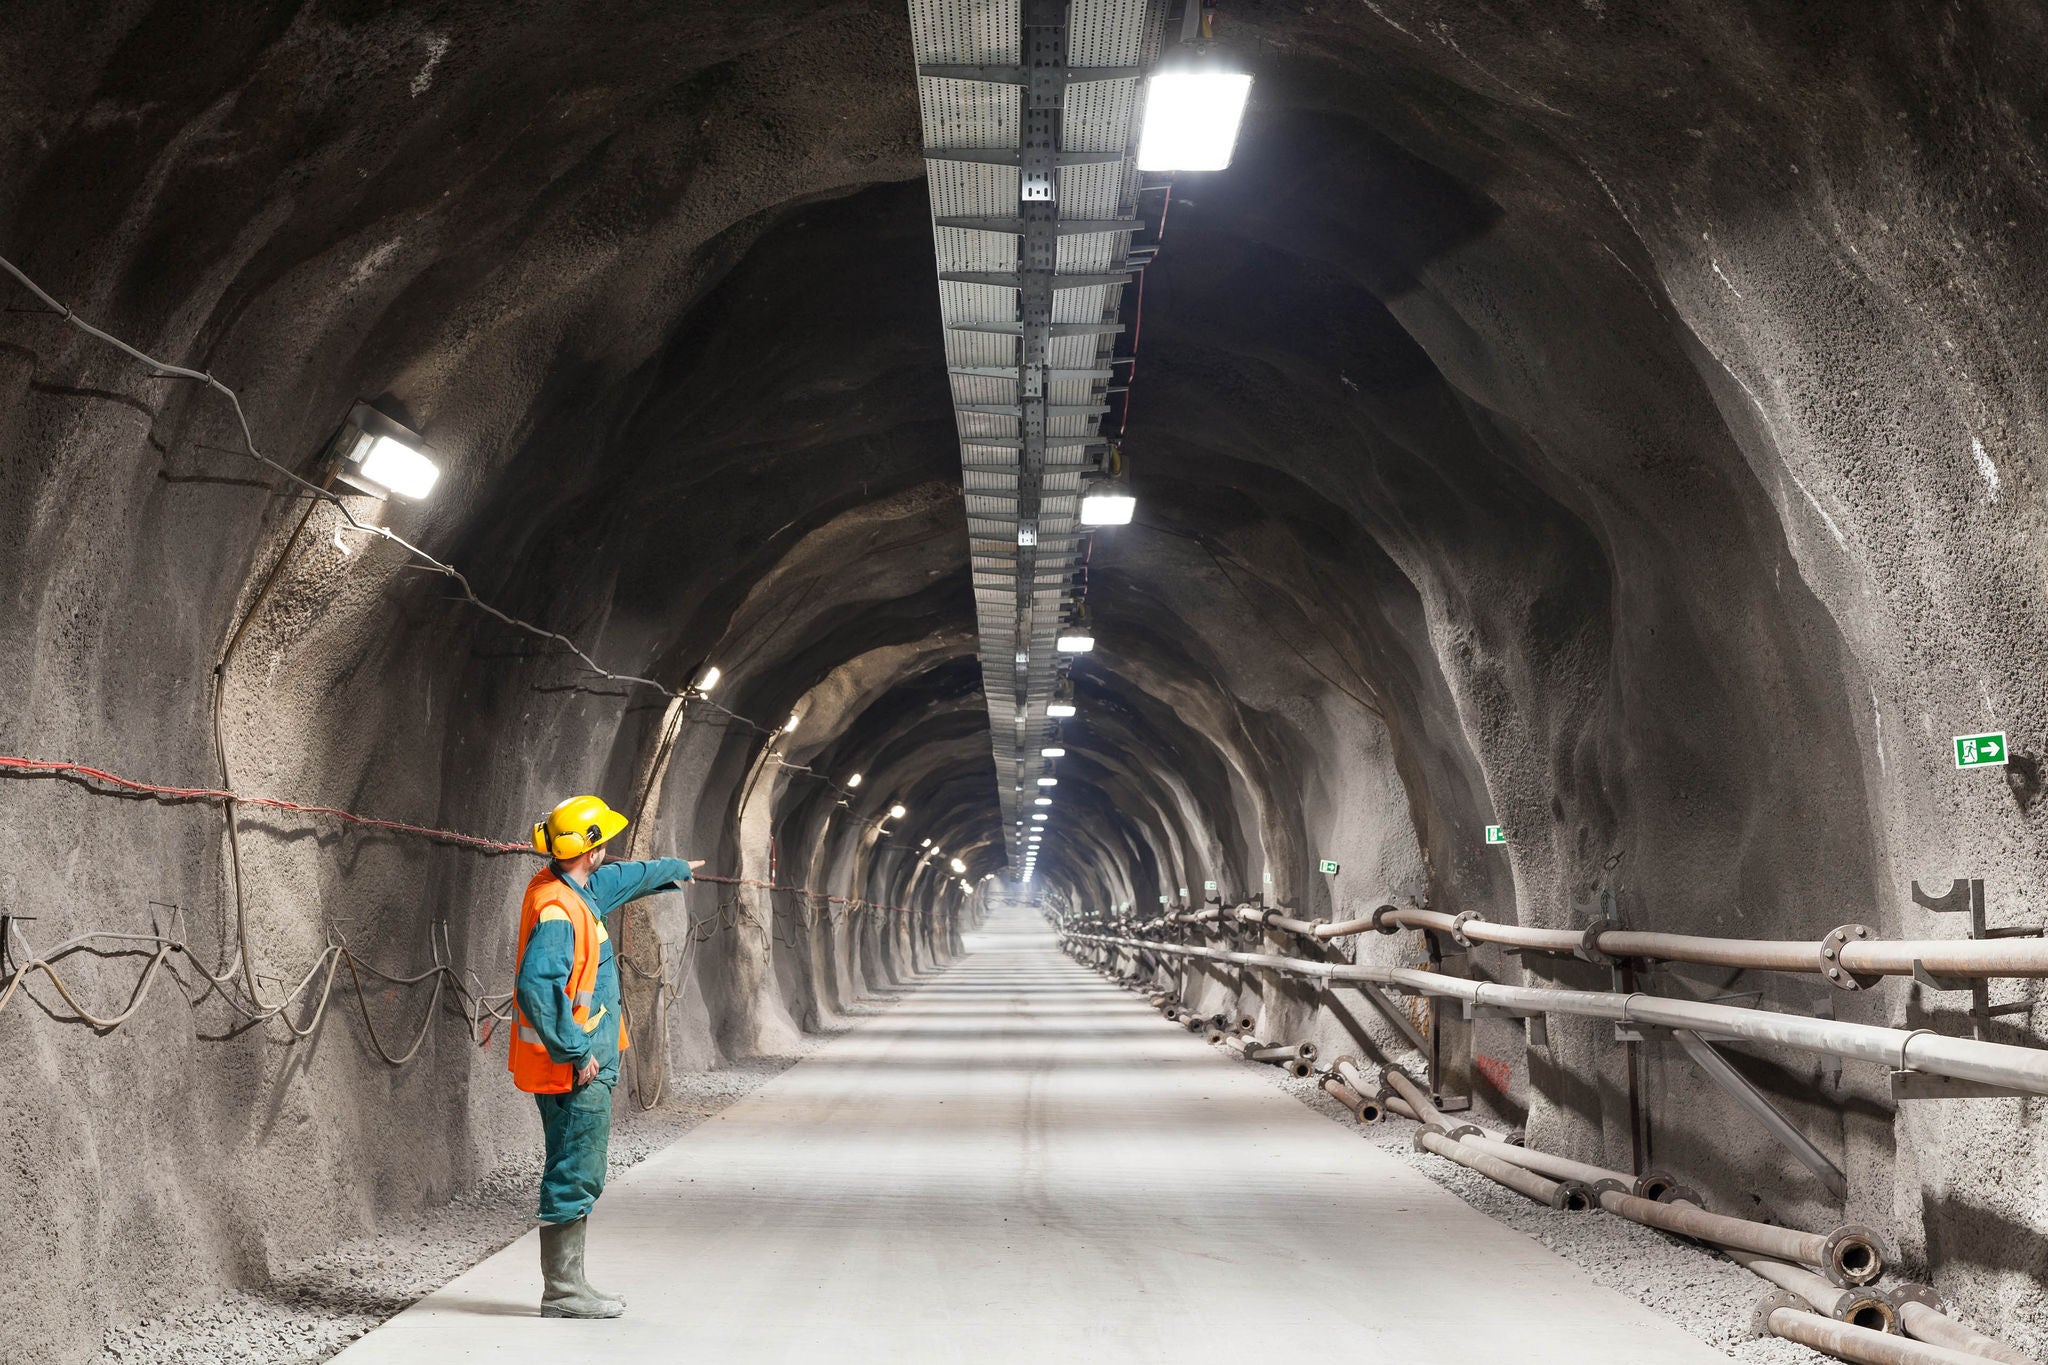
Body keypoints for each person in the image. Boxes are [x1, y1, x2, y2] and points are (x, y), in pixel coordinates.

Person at [510, 793, 703, 1319]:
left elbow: (622, 880)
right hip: (573, 1067)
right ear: (592, 851)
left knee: (578, 1165)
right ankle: (564, 1293)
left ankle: (571, 1287)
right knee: (576, 1170)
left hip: (581, 1060)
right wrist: (575, 1051)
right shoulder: (558, 910)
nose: (609, 855)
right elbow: (537, 986)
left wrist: (673, 869)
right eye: (605, 846)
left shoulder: (571, 888)